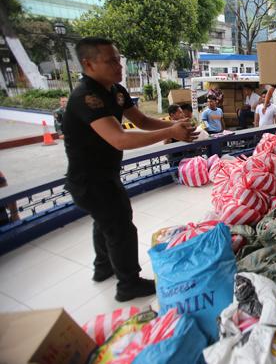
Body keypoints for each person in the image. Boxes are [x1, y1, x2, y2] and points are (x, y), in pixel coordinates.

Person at [63, 37, 197, 302]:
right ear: (88, 64)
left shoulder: (116, 90)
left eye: (118, 58)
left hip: (104, 173)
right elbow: (120, 138)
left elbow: (143, 120)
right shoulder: (86, 97)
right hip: (89, 179)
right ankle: (128, 284)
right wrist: (170, 132)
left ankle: (103, 268)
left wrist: (174, 126)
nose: (118, 65)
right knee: (120, 226)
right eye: (110, 60)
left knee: (106, 222)